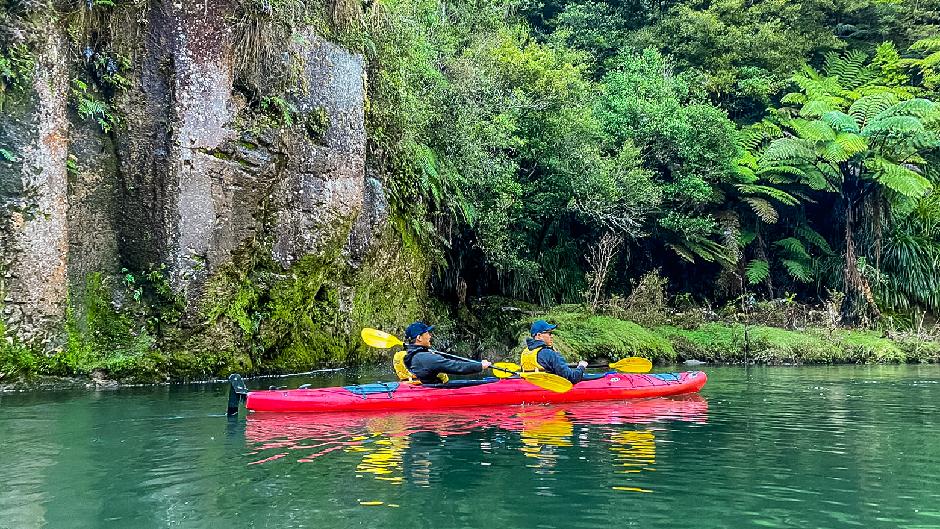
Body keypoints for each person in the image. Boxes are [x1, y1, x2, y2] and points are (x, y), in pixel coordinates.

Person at [394, 322, 492, 384]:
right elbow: (455, 367)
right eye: (427, 333)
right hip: (430, 392)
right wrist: (480, 366)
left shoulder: (412, 353)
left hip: (426, 386)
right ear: (419, 338)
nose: (430, 336)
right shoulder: (425, 358)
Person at [520, 320, 588, 384]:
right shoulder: (549, 353)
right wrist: (581, 367)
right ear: (539, 335)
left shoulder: (525, 352)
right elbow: (572, 378)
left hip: (531, 386)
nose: (552, 336)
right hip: (546, 388)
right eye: (549, 333)